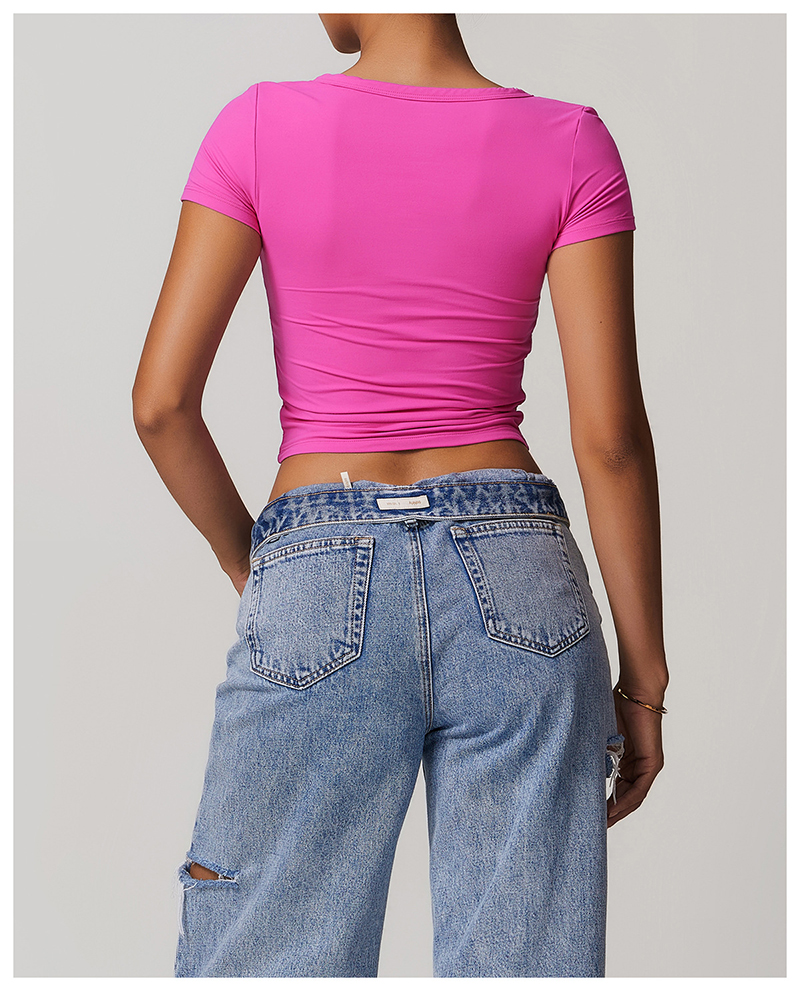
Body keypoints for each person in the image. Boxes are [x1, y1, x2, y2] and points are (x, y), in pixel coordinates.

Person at [132, 12, 669, 980]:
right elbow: (609, 440)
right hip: (518, 574)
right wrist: (644, 681)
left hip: (319, 559)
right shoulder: (569, 140)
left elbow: (162, 405)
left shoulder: (256, 125)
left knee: (267, 954)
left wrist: (255, 563)